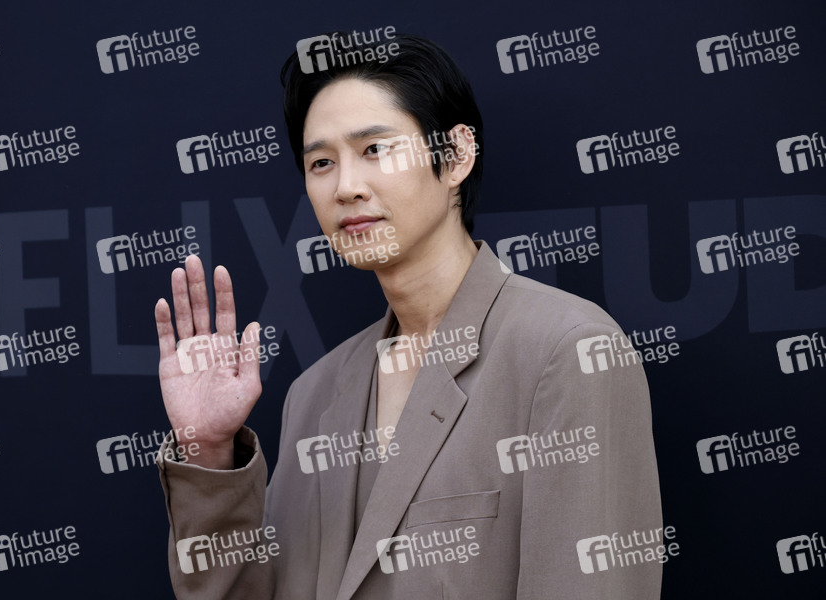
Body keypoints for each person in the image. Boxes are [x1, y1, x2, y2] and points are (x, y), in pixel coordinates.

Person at [153, 33, 662, 599]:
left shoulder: (566, 352)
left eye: (375, 149)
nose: (346, 187)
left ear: (457, 155)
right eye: (321, 163)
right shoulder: (313, 395)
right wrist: (209, 449)